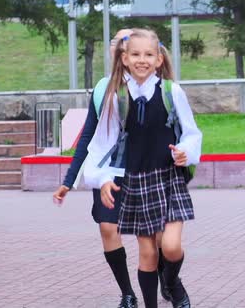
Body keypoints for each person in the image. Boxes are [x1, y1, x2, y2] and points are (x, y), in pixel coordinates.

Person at [86, 28, 202, 308]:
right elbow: (103, 144)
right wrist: (102, 179)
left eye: (149, 54)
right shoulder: (117, 97)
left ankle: (172, 283)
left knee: (171, 247)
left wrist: (185, 152)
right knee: (148, 253)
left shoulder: (172, 92)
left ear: (159, 59)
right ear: (124, 58)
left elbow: (191, 133)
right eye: (136, 54)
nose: (142, 60)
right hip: (135, 183)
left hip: (168, 179)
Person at [52, 29, 139, 308]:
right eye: (116, 42)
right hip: (108, 172)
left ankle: (168, 279)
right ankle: (127, 293)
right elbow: (88, 135)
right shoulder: (102, 88)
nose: (120, 46)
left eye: (127, 42)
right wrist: (68, 179)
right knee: (107, 227)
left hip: (143, 170)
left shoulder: (152, 83)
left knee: (155, 237)